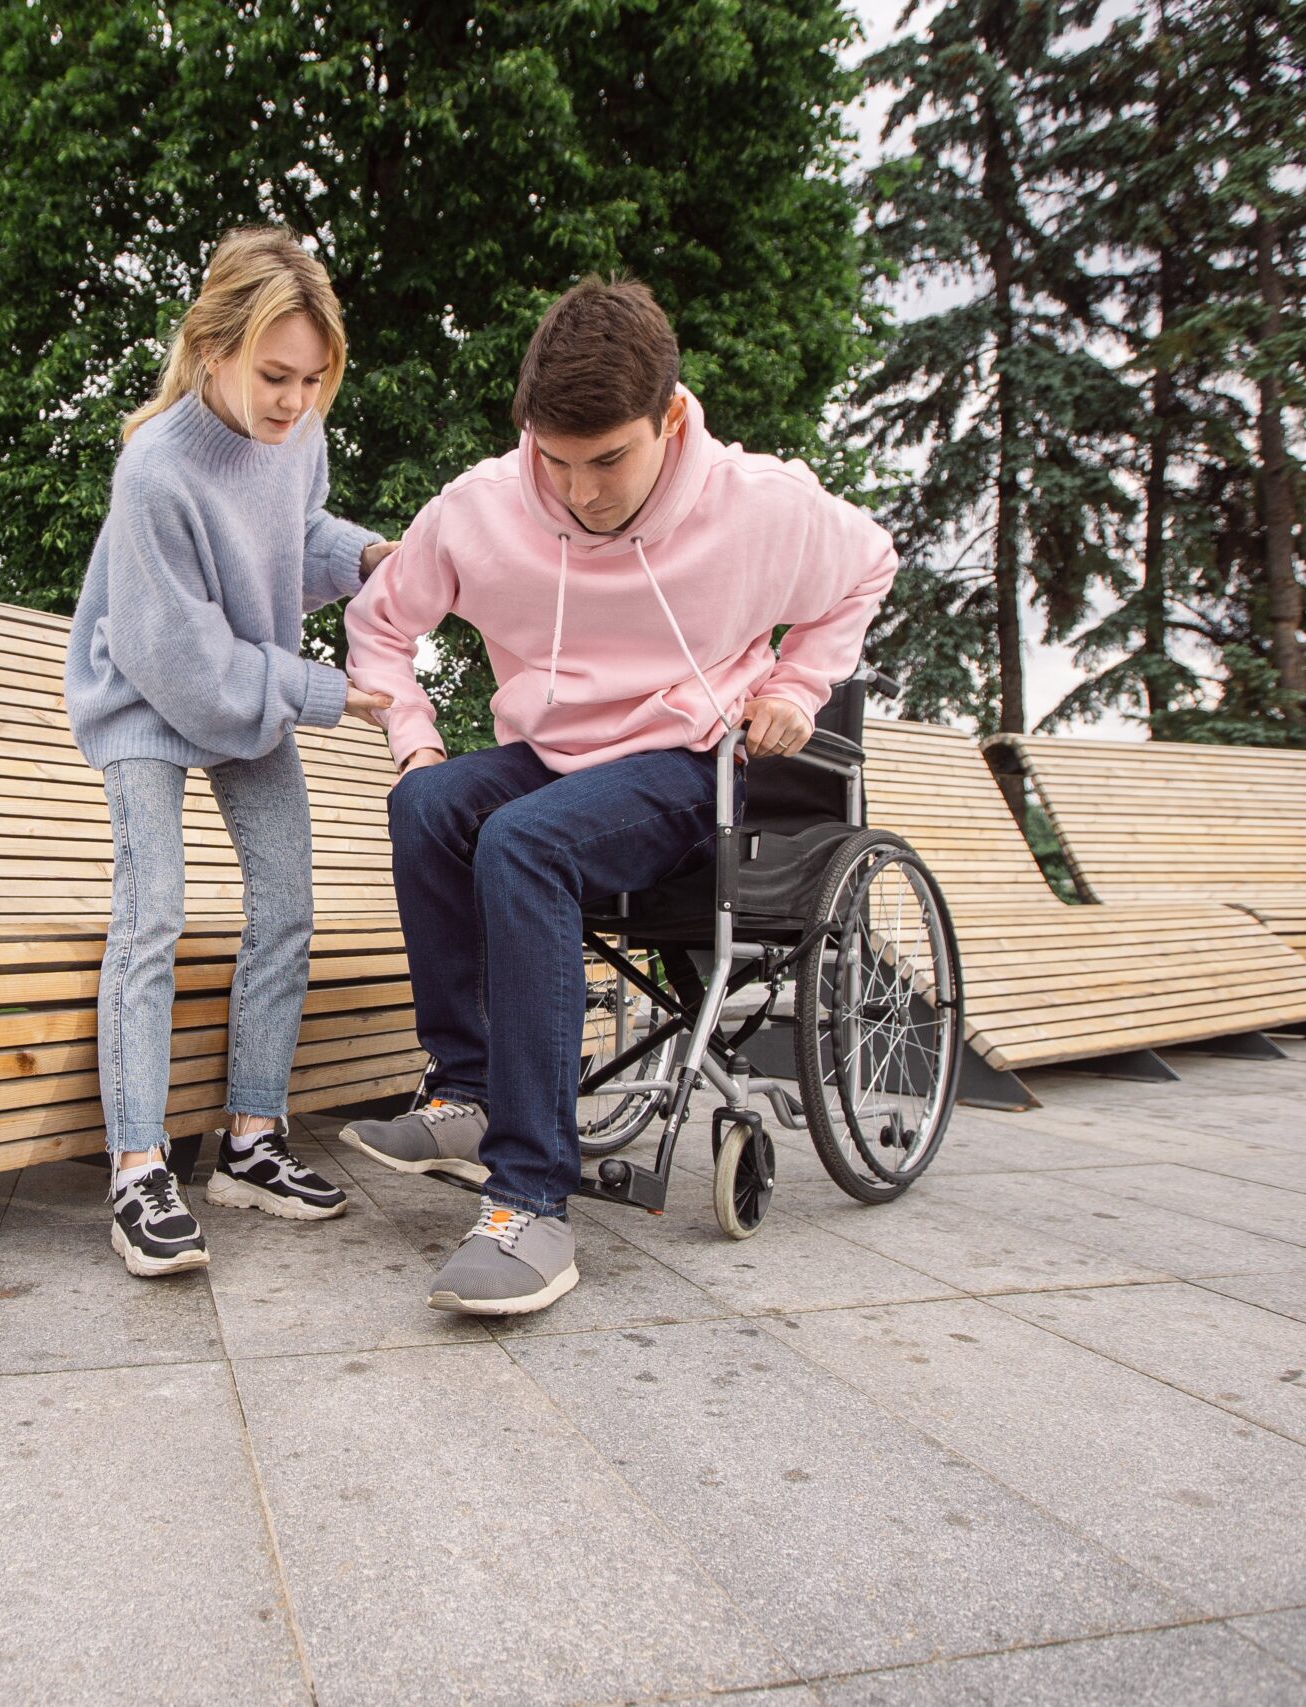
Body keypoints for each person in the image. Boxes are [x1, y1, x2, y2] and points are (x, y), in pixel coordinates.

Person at [338, 277, 897, 1316]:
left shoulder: (760, 506)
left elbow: (868, 564)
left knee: (521, 844)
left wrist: (794, 684)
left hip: (685, 767)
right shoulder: (478, 510)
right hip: (551, 757)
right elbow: (379, 623)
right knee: (429, 807)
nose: (582, 491)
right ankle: (465, 1090)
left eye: (608, 459)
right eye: (555, 459)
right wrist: (413, 742)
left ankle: (530, 1206)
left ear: (669, 420)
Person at [65, 226, 397, 1278]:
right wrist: (331, 693)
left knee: (286, 907)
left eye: (310, 379)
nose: (292, 401)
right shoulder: (154, 469)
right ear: (210, 349)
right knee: (152, 911)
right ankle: (135, 1166)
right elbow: (182, 661)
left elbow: (287, 545)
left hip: (237, 680)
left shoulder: (298, 438)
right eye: (271, 375)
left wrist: (366, 556)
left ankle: (249, 1144)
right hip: (149, 692)